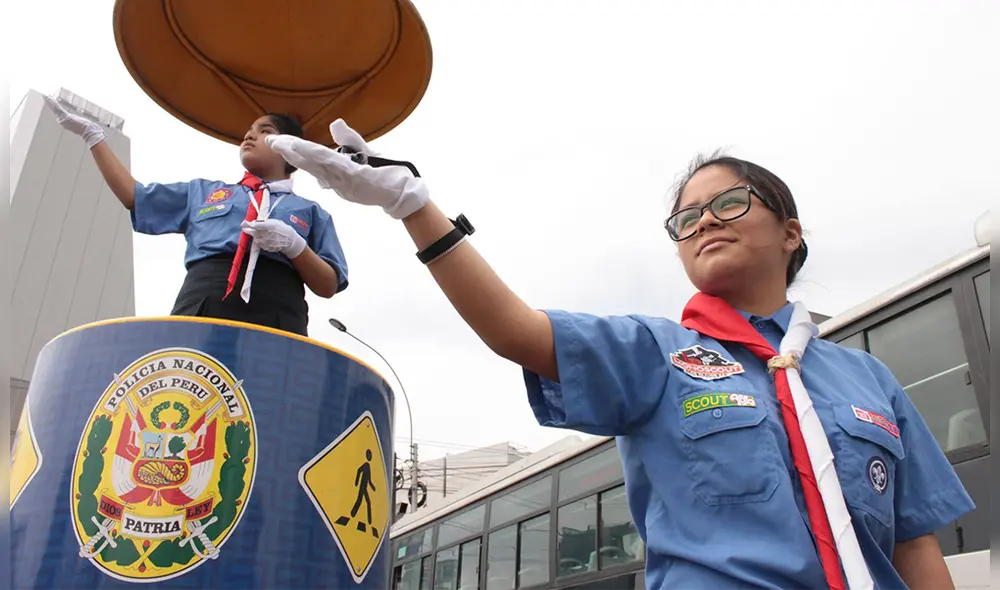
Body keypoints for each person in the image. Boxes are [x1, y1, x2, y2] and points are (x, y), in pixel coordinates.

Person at [265, 121, 973, 589]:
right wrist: (417, 208)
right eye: (687, 218)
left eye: (729, 203)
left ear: (790, 232)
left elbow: (912, 542)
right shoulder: (655, 353)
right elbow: (516, 329)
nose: (703, 223)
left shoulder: (868, 378)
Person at [43, 97, 348, 337]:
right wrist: (93, 137)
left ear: (290, 149)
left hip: (280, 315)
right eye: (248, 132)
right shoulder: (203, 192)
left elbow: (328, 285)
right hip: (202, 304)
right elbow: (134, 196)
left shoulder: (311, 212)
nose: (249, 137)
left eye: (265, 131)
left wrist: (295, 246)